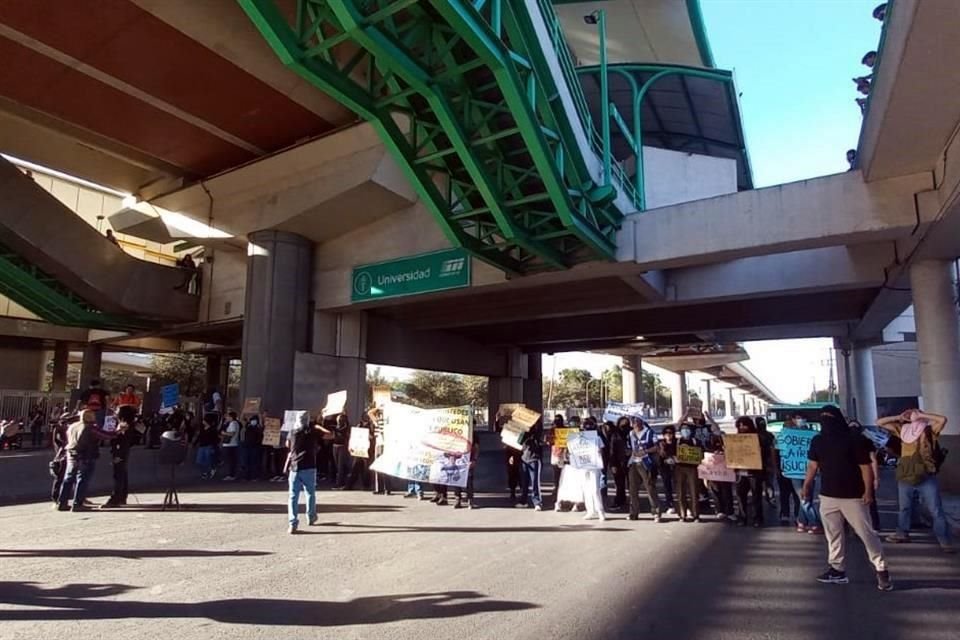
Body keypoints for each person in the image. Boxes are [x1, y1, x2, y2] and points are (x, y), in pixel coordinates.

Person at [804, 405, 892, 591]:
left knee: (867, 534)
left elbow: (865, 467)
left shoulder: (855, 439)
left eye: (829, 416)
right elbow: (812, 466)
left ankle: (881, 569)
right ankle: (837, 569)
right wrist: (807, 486)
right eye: (823, 417)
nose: (826, 420)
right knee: (833, 535)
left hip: (854, 496)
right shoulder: (818, 441)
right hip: (827, 496)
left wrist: (868, 492)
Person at [877, 409, 953, 553]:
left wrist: (923, 415)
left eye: (915, 412)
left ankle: (944, 540)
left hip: (926, 474)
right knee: (904, 508)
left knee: (936, 510)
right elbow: (879, 422)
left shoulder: (929, 430)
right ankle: (902, 533)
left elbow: (942, 419)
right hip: (906, 475)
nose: (913, 415)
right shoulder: (903, 430)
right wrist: (899, 416)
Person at [56, 410, 126, 511]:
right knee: (82, 479)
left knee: (68, 479)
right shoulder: (90, 428)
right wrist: (118, 430)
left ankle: (62, 502)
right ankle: (78, 503)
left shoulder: (73, 426)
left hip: (71, 454)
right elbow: (106, 435)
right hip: (85, 455)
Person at [285, 415, 323, 534]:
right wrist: (318, 425)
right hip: (309, 466)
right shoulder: (312, 432)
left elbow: (287, 444)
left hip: (295, 466)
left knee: (293, 496)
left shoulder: (292, 432)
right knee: (310, 493)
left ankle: (292, 523)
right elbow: (330, 434)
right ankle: (311, 516)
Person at [849, 419, 882, 532]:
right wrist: (876, 478)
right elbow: (873, 460)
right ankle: (874, 525)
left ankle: (854, 526)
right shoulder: (866, 441)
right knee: (870, 502)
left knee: (852, 502)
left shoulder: (844, 441)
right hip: (867, 476)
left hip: (852, 477)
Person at [628, 417, 662, 522]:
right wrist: (630, 452)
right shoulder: (630, 434)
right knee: (633, 489)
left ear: (641, 422)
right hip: (634, 462)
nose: (636, 424)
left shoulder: (649, 432)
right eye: (633, 423)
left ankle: (656, 512)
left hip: (646, 462)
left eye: (638, 422)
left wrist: (646, 451)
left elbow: (657, 447)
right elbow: (629, 446)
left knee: (650, 488)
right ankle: (634, 512)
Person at [734, 416, 766, 528]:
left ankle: (758, 518)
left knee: (756, 496)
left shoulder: (757, 438)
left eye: (744, 425)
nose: (742, 427)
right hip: (740, 472)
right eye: (740, 425)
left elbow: (764, 453)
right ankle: (742, 518)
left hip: (754, 472)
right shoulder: (735, 439)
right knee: (740, 496)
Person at [101, 411, 134, 508]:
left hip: (120, 453)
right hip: (122, 453)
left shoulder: (123, 427)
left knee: (118, 476)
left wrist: (118, 454)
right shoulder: (127, 426)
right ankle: (122, 496)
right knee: (122, 475)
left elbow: (121, 441)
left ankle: (116, 497)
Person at [704, 421, 736, 521]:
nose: (715, 431)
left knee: (727, 490)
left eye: (716, 428)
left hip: (725, 468)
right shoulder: (708, 439)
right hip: (713, 468)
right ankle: (720, 510)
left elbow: (732, 449)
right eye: (713, 429)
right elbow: (705, 451)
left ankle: (730, 511)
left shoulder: (725, 438)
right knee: (715, 490)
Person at [775, 415, 802, 526]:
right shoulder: (780, 438)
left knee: (797, 495)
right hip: (784, 471)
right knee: (784, 495)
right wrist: (776, 468)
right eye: (787, 426)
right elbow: (775, 454)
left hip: (797, 471)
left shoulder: (799, 438)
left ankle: (798, 515)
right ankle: (784, 514)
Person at [675, 421, 703, 522]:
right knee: (680, 492)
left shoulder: (696, 441)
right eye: (683, 429)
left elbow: (701, 454)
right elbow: (672, 453)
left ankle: (696, 515)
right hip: (679, 468)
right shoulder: (677, 441)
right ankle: (683, 514)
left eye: (687, 429)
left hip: (692, 468)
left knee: (694, 491)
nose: (685, 431)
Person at [517, 419, 544, 511]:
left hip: (534, 459)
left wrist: (535, 423)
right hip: (525, 459)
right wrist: (524, 431)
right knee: (524, 482)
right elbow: (519, 441)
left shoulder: (536, 434)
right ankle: (523, 501)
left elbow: (539, 431)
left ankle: (537, 502)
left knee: (535, 482)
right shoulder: (524, 433)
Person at [608, 416, 630, 511]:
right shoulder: (615, 434)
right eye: (623, 424)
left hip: (630, 461)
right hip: (618, 462)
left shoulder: (632, 432)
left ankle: (633, 501)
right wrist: (613, 464)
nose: (624, 426)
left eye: (626, 424)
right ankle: (619, 500)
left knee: (632, 483)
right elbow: (612, 450)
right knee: (619, 484)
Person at [49, 412, 72, 503]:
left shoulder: (63, 428)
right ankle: (56, 497)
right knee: (60, 478)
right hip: (62, 456)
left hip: (64, 454)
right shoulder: (59, 429)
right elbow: (59, 441)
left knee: (68, 477)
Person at [455, 432, 480, 509]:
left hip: (468, 461)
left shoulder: (472, 435)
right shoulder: (456, 432)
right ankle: (458, 499)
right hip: (457, 461)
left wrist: (474, 460)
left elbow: (476, 448)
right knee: (456, 480)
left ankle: (470, 500)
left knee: (468, 481)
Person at [659, 424, 678, 514]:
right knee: (667, 486)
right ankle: (669, 505)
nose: (668, 435)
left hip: (677, 467)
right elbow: (660, 456)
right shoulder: (661, 443)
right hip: (665, 468)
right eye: (666, 433)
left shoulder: (677, 442)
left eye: (670, 433)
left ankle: (683, 505)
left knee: (679, 486)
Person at [194, 414, 219, 479]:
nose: (203, 421)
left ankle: (211, 469)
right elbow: (199, 436)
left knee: (208, 460)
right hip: (201, 446)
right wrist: (195, 443)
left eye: (204, 420)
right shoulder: (202, 428)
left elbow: (215, 439)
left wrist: (214, 447)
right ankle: (204, 472)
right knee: (199, 461)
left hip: (209, 446)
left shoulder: (212, 429)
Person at [331, 413, 352, 490]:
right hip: (335, 446)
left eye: (340, 419)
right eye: (337, 419)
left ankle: (340, 483)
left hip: (342, 447)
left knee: (340, 466)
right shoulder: (336, 427)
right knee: (337, 465)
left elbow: (341, 431)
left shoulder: (345, 427)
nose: (338, 420)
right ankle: (340, 481)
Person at [240, 415, 262, 481]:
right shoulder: (248, 427)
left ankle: (254, 476)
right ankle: (247, 476)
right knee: (247, 462)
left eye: (254, 420)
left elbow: (260, 437)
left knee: (254, 462)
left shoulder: (258, 428)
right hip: (247, 446)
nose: (253, 421)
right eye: (252, 420)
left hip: (255, 447)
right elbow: (243, 420)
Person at [220, 411, 241, 481]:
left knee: (230, 460)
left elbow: (232, 434)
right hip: (232, 444)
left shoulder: (233, 423)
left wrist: (224, 433)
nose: (227, 418)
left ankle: (231, 474)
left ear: (231, 417)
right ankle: (232, 474)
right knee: (232, 460)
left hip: (230, 444)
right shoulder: (234, 423)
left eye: (228, 416)